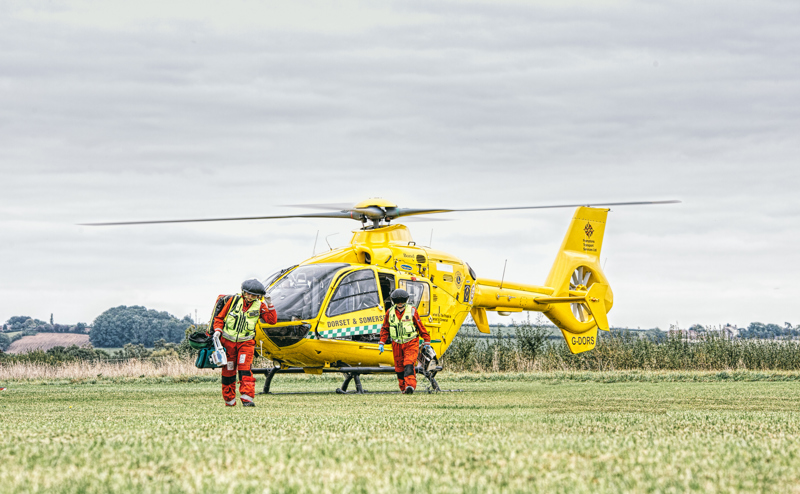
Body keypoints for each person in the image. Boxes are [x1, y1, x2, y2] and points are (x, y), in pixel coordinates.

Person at [213, 279, 277, 407]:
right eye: (248, 294)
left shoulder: (260, 306)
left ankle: (247, 399)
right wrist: (218, 331)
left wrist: (270, 304)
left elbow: (272, 320)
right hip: (227, 342)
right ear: (244, 292)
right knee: (228, 371)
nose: (250, 297)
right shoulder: (233, 301)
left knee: (245, 369)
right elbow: (219, 318)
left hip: (246, 343)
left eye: (254, 295)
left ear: (258, 296)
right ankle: (229, 400)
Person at [378, 288, 431, 394]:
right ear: (394, 301)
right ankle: (403, 388)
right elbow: (385, 328)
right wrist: (382, 342)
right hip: (396, 343)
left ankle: (410, 386)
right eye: (398, 301)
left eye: (402, 300)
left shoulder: (412, 311)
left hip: (411, 342)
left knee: (408, 363)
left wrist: (426, 340)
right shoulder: (390, 312)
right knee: (399, 367)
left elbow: (420, 325)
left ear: (405, 300)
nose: (400, 303)